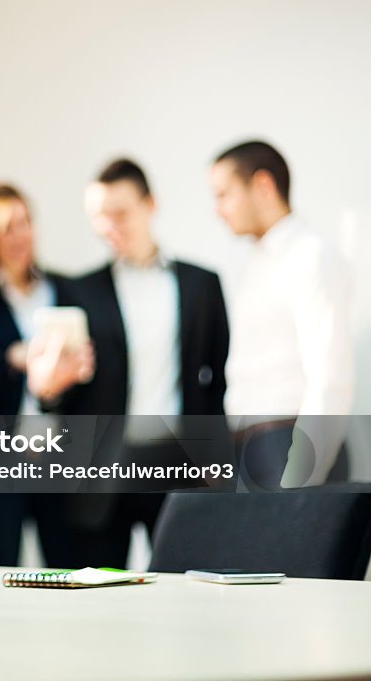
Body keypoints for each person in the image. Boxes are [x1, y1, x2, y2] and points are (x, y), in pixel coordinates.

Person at [34, 158, 230, 569]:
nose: (108, 226)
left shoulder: (202, 284)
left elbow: (219, 382)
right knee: (101, 601)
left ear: (150, 204)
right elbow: (58, 395)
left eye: (119, 213)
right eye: (98, 217)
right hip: (101, 471)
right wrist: (50, 387)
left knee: (186, 594)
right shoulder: (79, 290)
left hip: (180, 466)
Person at [0, 184, 94, 566]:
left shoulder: (65, 290)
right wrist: (12, 359)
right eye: (8, 227)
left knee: (67, 566)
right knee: (0, 566)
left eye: (26, 222)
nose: (21, 236)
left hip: (60, 454)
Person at [210, 140, 353, 489]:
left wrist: (299, 478)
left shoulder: (310, 256)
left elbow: (330, 377)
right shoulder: (253, 264)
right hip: (251, 451)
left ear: (262, 186)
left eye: (224, 194)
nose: (218, 209)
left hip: (286, 450)